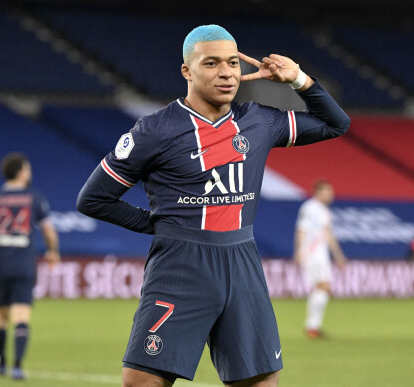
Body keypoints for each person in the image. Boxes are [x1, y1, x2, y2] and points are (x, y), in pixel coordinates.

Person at [76, 24, 350, 386]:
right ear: (187, 71)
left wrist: (297, 78)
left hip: (242, 264)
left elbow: (336, 124)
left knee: (262, 382)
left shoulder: (260, 120)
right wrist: (157, 223)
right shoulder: (154, 131)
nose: (226, 72)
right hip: (180, 265)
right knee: (142, 382)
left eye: (233, 63)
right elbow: (93, 199)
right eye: (212, 63)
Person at [0, 152, 60, 379]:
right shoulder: (34, 198)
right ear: (21, 172)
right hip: (24, 264)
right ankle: (17, 366)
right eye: (27, 168)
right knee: (21, 315)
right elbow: (48, 231)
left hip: (0, 264)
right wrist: (53, 251)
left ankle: (1, 362)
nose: (30, 172)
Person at [294, 180, 347, 339]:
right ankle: (312, 327)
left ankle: (313, 326)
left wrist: (338, 256)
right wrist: (300, 251)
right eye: (326, 192)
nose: (330, 195)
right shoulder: (310, 208)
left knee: (323, 289)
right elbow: (301, 230)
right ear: (317, 192)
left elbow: (328, 235)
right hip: (312, 254)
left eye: (330, 192)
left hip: (321, 254)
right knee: (322, 287)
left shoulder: (324, 211)